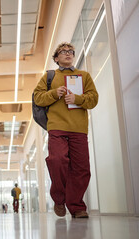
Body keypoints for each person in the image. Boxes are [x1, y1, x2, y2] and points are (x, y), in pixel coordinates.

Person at [33, 42, 98, 218]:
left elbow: (93, 99)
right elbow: (38, 98)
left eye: (71, 52)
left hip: (78, 128)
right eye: (63, 52)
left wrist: (77, 98)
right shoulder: (49, 76)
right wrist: (55, 93)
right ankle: (59, 199)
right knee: (57, 160)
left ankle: (77, 207)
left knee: (81, 168)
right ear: (56, 58)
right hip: (57, 127)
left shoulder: (84, 76)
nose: (68, 54)